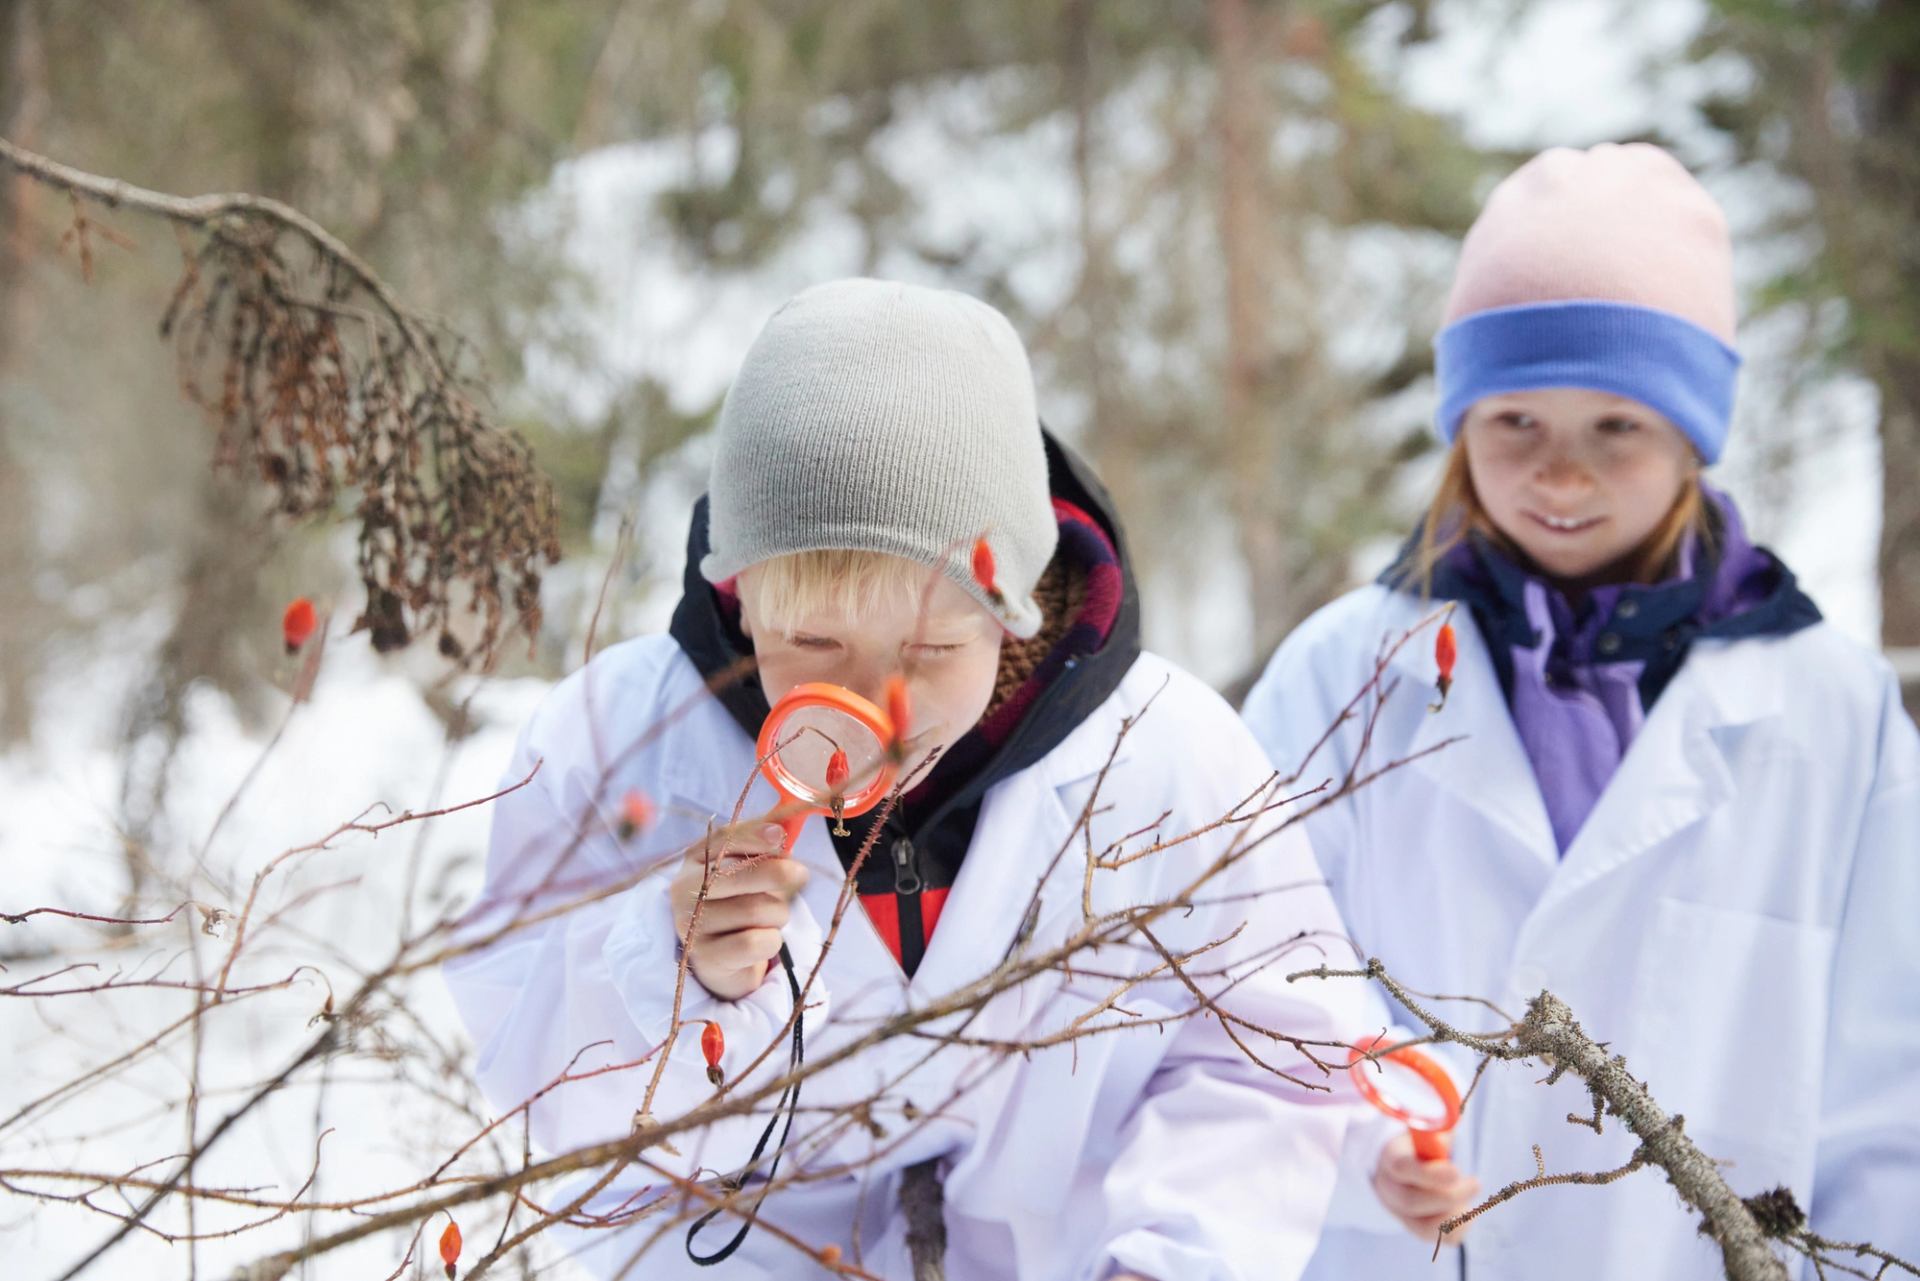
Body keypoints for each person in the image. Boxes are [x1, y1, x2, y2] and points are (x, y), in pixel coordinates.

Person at [445, 278, 1369, 1280]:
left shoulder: (1170, 757)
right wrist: (671, 976)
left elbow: (1273, 1058)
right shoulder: (618, 741)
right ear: (739, 594)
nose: (877, 707)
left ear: (1013, 609)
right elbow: (531, 1073)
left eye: (932, 648)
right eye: (812, 639)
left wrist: (1175, 1257)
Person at [1243, 142, 1920, 1280]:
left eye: (1617, 426)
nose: (1560, 476)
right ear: (1461, 423)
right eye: (1516, 423)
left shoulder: (1834, 720)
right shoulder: (1335, 680)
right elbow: (1254, 995)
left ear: (1693, 438)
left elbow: (1892, 1095)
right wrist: (1368, 1143)